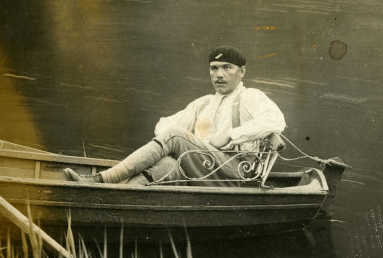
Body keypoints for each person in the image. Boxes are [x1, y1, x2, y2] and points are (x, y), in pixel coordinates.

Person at [64, 46, 286, 186]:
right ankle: (115, 192)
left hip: (236, 173)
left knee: (174, 138)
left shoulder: (251, 97)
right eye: (213, 68)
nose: (218, 75)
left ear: (242, 72)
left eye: (227, 68)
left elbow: (275, 121)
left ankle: (103, 179)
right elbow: (164, 125)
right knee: (166, 162)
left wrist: (231, 134)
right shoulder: (204, 103)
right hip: (206, 166)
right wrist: (193, 144)